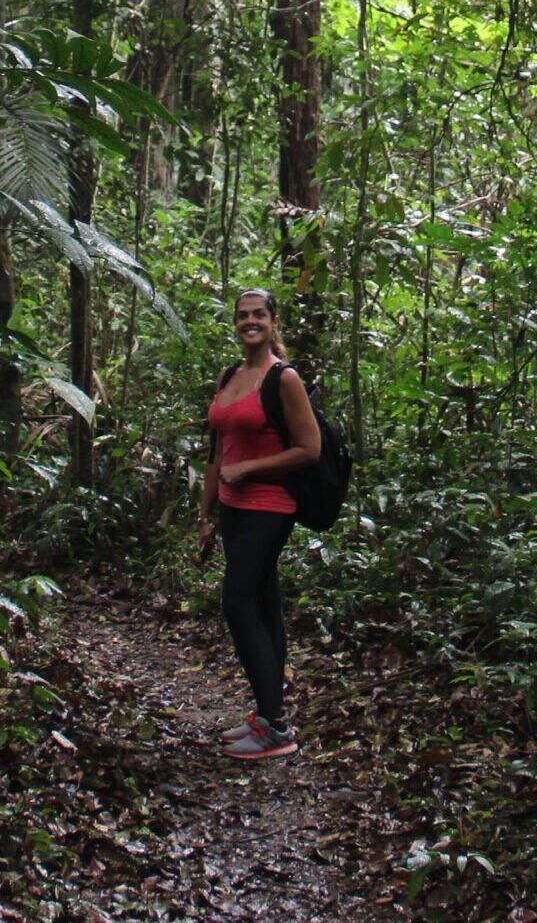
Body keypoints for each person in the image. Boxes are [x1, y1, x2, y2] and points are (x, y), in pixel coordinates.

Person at [199, 288, 321, 760]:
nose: (250, 322)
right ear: (235, 323)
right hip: (232, 508)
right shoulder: (229, 375)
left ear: (273, 322)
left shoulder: (282, 378)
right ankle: (269, 717)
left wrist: (248, 470)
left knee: (238, 603)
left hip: (269, 508)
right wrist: (205, 517)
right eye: (243, 315)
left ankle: (277, 729)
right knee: (265, 605)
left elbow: (310, 449)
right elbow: (217, 452)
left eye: (259, 315)